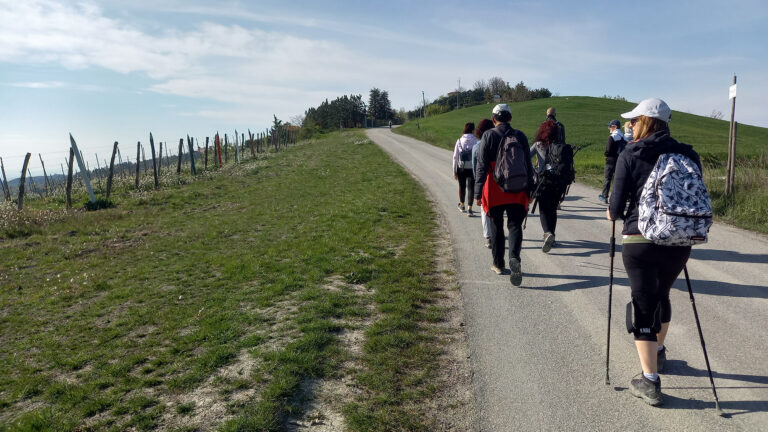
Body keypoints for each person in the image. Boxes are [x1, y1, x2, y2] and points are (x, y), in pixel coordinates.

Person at [606, 97, 702, 407]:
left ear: (644, 122)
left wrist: (612, 213)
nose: (628, 126)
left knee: (643, 302)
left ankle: (649, 380)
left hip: (640, 239)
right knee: (662, 296)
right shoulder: (688, 154)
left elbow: (615, 209)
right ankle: (658, 353)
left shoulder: (631, 153)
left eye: (632, 121)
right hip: (678, 240)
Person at [474, 104, 534, 286]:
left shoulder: (488, 135)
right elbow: (529, 166)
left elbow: (482, 166)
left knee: (497, 228)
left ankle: (498, 264)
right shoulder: (520, 136)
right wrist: (530, 190)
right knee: (515, 225)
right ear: (510, 118)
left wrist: (477, 193)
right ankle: (514, 257)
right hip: (518, 188)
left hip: (495, 190)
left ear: (494, 119)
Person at [529, 120, 573, 253]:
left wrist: (534, 171)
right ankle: (552, 236)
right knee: (552, 209)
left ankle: (547, 233)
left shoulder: (539, 145)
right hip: (559, 183)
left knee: (543, 209)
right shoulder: (562, 147)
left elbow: (526, 157)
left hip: (544, 181)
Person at [472, 118, 495, 248]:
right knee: (496, 210)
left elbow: (476, 170)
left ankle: (488, 237)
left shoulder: (476, 147)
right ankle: (496, 233)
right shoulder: (496, 143)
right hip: (497, 181)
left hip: (484, 182)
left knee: (484, 210)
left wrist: (478, 188)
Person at [598, 119, 627, 203]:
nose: (609, 128)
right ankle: (615, 198)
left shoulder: (612, 137)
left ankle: (604, 196)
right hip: (620, 161)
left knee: (607, 179)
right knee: (617, 180)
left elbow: (608, 150)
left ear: (615, 127)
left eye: (610, 126)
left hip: (610, 161)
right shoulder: (624, 137)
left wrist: (606, 155)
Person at [453, 122, 477, 215]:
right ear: (473, 130)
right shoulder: (476, 140)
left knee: (462, 186)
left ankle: (462, 205)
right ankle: (470, 209)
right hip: (472, 167)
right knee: (471, 188)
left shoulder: (459, 141)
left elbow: (455, 157)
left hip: (461, 167)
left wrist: (454, 170)